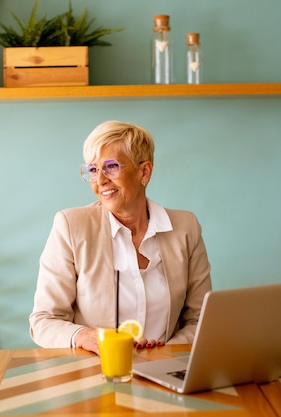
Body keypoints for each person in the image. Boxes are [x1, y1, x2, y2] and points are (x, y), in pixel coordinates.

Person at [29, 120, 212, 354]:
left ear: (144, 171)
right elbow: (44, 320)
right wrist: (86, 337)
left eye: (111, 167)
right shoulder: (71, 226)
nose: (101, 180)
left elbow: (200, 319)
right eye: (93, 170)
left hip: (168, 370)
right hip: (96, 372)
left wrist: (162, 354)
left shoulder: (186, 227)